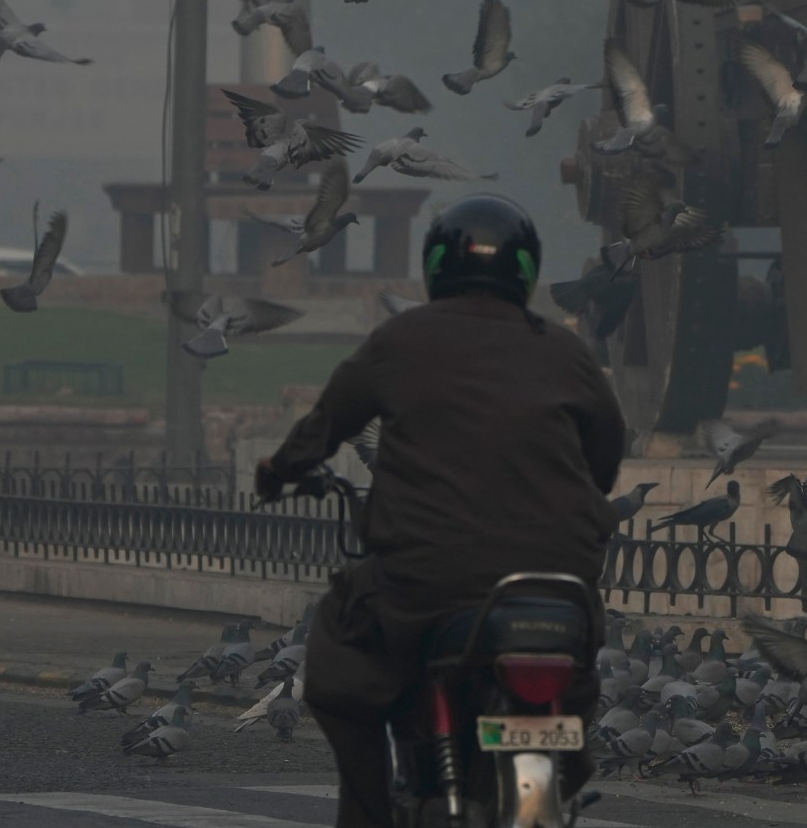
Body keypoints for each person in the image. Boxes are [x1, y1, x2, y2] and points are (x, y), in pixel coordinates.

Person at [257, 195, 625, 828]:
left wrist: (278, 472)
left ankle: (369, 814)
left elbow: (323, 427)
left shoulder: (400, 340)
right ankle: (554, 779)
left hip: (428, 581)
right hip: (555, 586)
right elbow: (607, 452)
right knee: (577, 669)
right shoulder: (566, 355)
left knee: (341, 662)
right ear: (527, 270)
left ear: (435, 265)